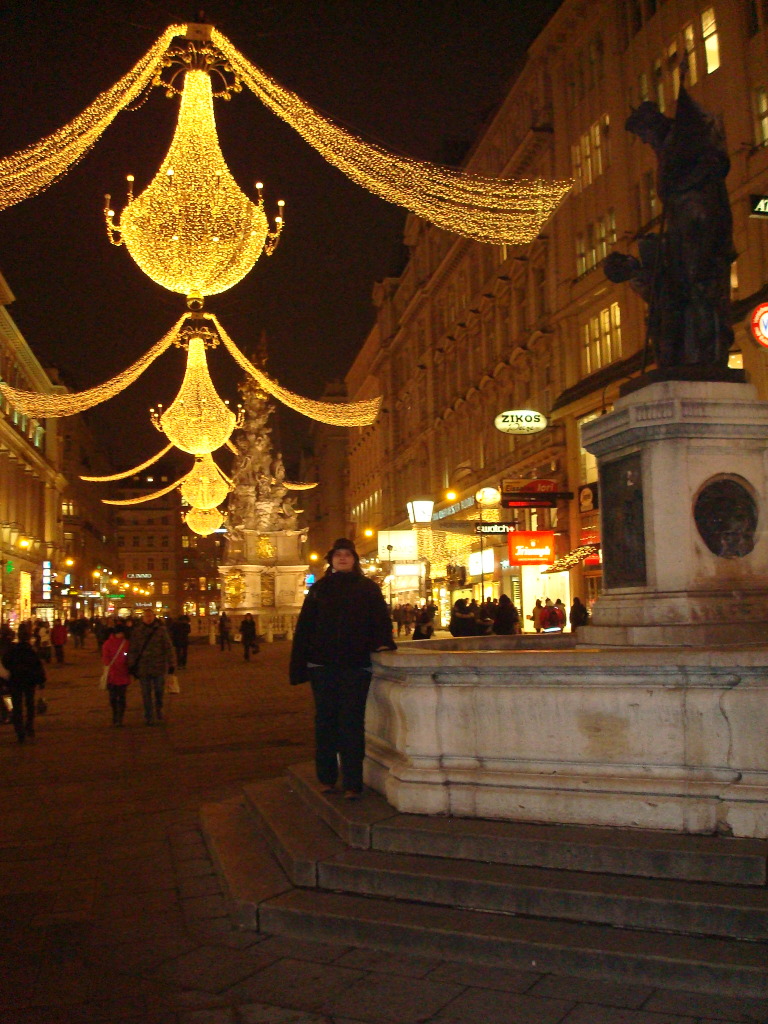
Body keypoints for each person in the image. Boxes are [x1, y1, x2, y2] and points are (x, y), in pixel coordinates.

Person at [290, 537, 396, 800]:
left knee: (351, 723)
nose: (342, 558)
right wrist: (299, 665)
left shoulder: (368, 588)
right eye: (338, 554)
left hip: (355, 665)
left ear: (354, 559)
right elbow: (305, 627)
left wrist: (383, 643)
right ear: (331, 560)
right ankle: (326, 777)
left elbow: (380, 619)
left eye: (347, 554)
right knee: (325, 722)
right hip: (322, 665)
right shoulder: (320, 589)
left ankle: (352, 782)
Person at [127, 608, 175, 725]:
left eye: (150, 616)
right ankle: (149, 715)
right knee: (145, 693)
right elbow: (133, 649)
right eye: (146, 616)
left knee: (159, 690)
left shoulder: (161, 630)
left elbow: (168, 647)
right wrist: (131, 666)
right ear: (143, 618)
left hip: (158, 666)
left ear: (154, 617)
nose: (148, 618)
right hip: (143, 667)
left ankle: (158, 708)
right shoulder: (138, 631)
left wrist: (171, 664)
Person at [1, 623, 46, 742]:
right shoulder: (30, 651)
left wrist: (7, 679)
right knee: (30, 704)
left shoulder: (12, 651)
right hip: (29, 682)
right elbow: (38, 666)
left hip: (15, 682)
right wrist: (41, 681)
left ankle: (19, 731)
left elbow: (5, 664)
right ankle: (29, 727)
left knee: (17, 706)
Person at [102, 620, 131, 726]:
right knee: (114, 697)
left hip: (121, 674)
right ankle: (116, 715)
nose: (121, 635)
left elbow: (129, 657)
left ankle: (119, 718)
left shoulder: (126, 643)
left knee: (121, 697)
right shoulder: (108, 643)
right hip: (113, 674)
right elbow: (105, 658)